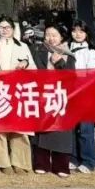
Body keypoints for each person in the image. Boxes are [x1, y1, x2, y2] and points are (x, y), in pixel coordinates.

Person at [0, 14, 36, 173]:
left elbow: (33, 68)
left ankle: (20, 162)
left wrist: (25, 63)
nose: (4, 30)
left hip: (17, 89)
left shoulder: (22, 46)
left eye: (7, 27)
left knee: (20, 126)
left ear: (13, 29)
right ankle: (3, 162)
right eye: (1, 27)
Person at [32, 24, 75, 177]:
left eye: (54, 35)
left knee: (61, 132)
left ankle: (61, 165)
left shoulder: (68, 55)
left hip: (62, 97)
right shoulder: (39, 52)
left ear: (61, 37)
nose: (50, 38)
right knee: (42, 130)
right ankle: (41, 163)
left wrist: (59, 63)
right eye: (48, 35)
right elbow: (35, 71)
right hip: (43, 96)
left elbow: (71, 77)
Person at [69, 20, 95, 174]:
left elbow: (93, 75)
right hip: (70, 95)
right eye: (75, 31)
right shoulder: (67, 48)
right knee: (72, 128)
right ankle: (73, 158)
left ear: (86, 33)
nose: (77, 34)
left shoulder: (90, 52)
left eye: (81, 31)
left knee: (85, 130)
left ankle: (88, 160)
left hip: (85, 94)